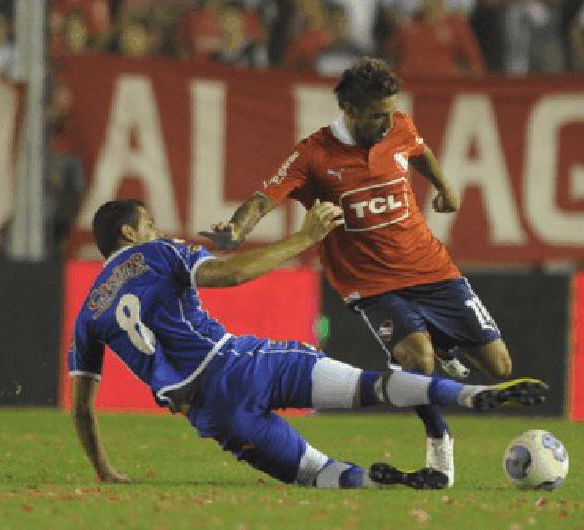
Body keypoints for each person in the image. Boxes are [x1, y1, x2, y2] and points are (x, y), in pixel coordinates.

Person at [69, 199, 548, 489]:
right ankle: (471, 395)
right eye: (147, 223)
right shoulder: (156, 252)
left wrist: (104, 470)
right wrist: (305, 237)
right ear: (129, 232)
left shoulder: (89, 311)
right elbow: (230, 273)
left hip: (210, 413)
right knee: (373, 387)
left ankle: (387, 484)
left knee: (316, 476)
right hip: (243, 364)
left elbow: (82, 408)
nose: (156, 229)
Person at [200, 57, 515, 488]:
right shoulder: (313, 155)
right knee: (417, 359)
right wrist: (237, 228)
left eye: (390, 112)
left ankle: (440, 340)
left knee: (499, 366)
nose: (387, 123)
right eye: (376, 115)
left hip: (432, 267)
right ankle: (440, 444)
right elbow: (262, 198)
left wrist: (444, 186)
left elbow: (419, 151)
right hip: (372, 284)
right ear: (349, 109)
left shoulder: (399, 126)